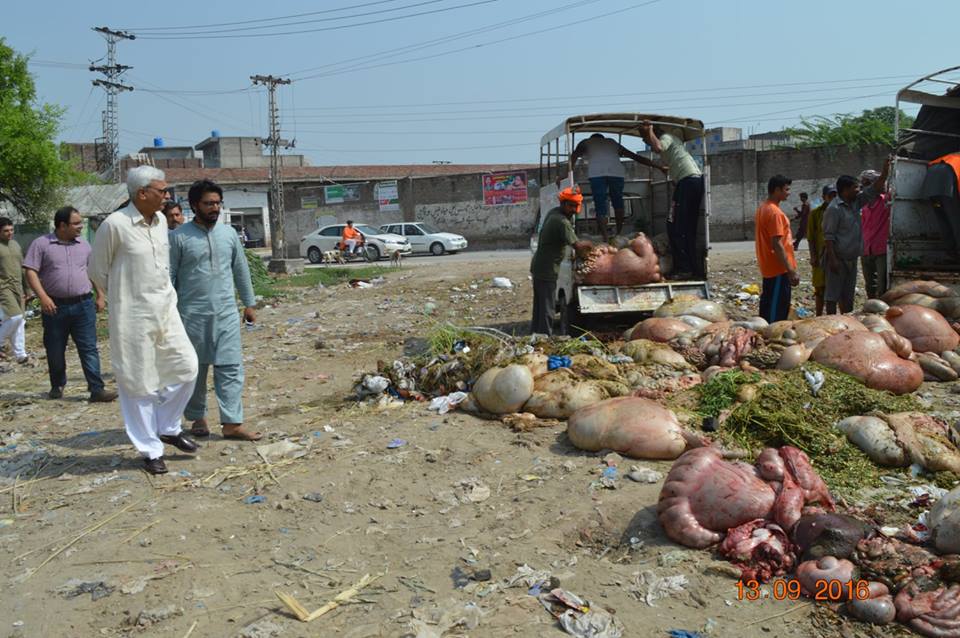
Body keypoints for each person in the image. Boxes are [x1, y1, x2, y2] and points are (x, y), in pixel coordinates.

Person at [89, 166, 200, 475]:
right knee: (139, 383)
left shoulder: (162, 220)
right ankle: (150, 449)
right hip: (132, 315)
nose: (167, 196)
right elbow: (97, 270)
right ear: (141, 194)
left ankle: (168, 425)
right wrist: (124, 296)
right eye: (161, 191)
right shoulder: (115, 225)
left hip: (166, 309)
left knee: (187, 368)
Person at [170, 180, 261, 442]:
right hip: (191, 315)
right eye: (208, 203)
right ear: (194, 205)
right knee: (195, 369)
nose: (214, 208)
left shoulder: (229, 234)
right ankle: (197, 417)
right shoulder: (178, 238)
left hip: (227, 313)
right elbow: (169, 277)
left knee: (231, 367)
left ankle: (232, 424)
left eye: (218, 203)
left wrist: (249, 303)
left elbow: (240, 270)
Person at [22, 206, 117, 401]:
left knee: (89, 347)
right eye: (76, 223)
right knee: (55, 348)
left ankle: (96, 389)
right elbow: (30, 271)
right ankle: (57, 385)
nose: (80, 227)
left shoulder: (84, 245)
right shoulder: (41, 244)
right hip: (55, 307)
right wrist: (43, 297)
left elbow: (92, 271)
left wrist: (100, 295)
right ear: (62, 225)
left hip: (83, 305)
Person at [823, 157, 891, 314]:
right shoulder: (834, 209)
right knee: (833, 295)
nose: (858, 190)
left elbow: (873, 190)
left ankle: (848, 322)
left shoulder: (855, 202)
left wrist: (885, 172)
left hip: (851, 258)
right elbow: (829, 237)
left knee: (848, 296)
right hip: (837, 259)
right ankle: (832, 322)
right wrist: (832, 260)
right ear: (845, 190)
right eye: (855, 188)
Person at [569, 133, 666, 241]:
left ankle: (605, 237)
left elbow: (574, 155)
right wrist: (658, 166)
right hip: (616, 173)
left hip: (596, 173)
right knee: (618, 202)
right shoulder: (611, 142)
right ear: (602, 138)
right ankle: (618, 234)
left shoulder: (585, 142)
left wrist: (567, 173)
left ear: (592, 138)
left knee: (600, 205)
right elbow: (635, 156)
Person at [640, 121, 705, 279]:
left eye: (645, 138)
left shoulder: (666, 137)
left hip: (688, 182)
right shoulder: (672, 141)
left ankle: (684, 269)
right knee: (687, 229)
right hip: (692, 181)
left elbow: (658, 147)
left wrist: (649, 131)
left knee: (675, 226)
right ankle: (693, 268)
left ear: (654, 132)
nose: (645, 142)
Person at [530, 187, 586, 335]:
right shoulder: (561, 221)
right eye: (571, 206)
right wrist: (593, 247)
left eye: (576, 206)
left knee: (540, 307)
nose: (574, 210)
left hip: (540, 266)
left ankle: (536, 336)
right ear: (563, 203)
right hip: (547, 268)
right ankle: (545, 338)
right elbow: (578, 246)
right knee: (548, 308)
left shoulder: (554, 212)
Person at [754, 175, 799, 323]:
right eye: (786, 189)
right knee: (777, 308)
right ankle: (770, 334)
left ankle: (764, 329)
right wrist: (790, 269)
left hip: (769, 266)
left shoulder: (763, 208)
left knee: (768, 301)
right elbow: (777, 244)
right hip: (778, 268)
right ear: (777, 190)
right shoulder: (775, 213)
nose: (788, 192)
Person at [859, 169, 891, 300]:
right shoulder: (863, 205)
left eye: (865, 183)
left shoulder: (886, 200)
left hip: (880, 249)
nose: (863, 186)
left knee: (882, 284)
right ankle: (871, 305)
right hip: (866, 249)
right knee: (869, 284)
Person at [0, 217, 28, 364]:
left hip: (18, 286)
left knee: (21, 320)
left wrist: (28, 288)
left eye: (11, 230)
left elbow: (22, 267)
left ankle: (20, 353)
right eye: (6, 231)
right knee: (14, 317)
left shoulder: (15, 245)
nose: (9, 233)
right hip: (3, 287)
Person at [807, 185, 837, 316]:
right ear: (824, 197)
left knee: (835, 288)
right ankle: (819, 315)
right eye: (830, 196)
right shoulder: (815, 214)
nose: (833, 198)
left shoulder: (840, 211)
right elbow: (811, 237)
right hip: (820, 256)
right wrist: (813, 256)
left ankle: (833, 316)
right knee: (819, 288)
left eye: (835, 195)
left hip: (836, 256)